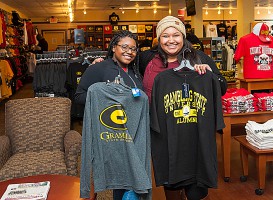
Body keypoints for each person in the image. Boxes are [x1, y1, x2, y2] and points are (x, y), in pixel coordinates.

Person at [92, 16, 227, 200]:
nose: (171, 40)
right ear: (158, 38)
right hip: (152, 126)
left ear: (183, 36)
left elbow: (221, 87)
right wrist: (103, 63)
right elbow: (125, 58)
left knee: (195, 183)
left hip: (190, 127)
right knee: (167, 174)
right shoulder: (147, 57)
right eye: (165, 35)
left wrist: (210, 74)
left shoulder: (199, 57)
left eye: (176, 35)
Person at [75, 30, 144, 200]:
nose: (129, 52)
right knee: (120, 177)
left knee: (133, 177)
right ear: (114, 47)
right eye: (124, 47)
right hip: (112, 134)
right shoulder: (98, 68)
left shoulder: (135, 71)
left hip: (133, 133)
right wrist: (106, 98)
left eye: (133, 49)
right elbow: (79, 96)